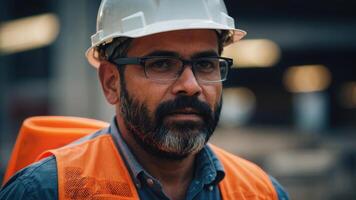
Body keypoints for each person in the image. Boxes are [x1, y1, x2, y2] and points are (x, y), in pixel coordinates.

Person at [0, 0, 289, 199]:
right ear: (111, 82)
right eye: (161, 64)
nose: (191, 86)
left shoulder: (261, 192)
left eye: (205, 64)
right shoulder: (47, 191)